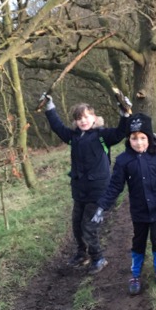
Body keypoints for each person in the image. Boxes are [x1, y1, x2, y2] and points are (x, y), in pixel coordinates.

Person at [40, 91, 134, 272]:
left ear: (94, 118)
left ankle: (98, 258)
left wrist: (125, 113)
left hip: (98, 191)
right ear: (75, 121)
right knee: (77, 225)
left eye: (86, 117)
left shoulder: (103, 135)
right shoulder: (73, 137)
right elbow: (58, 127)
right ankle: (82, 254)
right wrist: (50, 107)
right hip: (80, 191)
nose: (83, 121)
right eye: (79, 118)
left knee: (89, 226)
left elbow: (121, 132)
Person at [99, 112, 156, 294]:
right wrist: (102, 205)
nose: (139, 142)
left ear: (149, 138)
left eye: (143, 137)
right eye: (134, 138)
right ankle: (135, 274)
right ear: (128, 139)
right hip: (139, 210)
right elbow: (115, 186)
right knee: (138, 241)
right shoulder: (123, 160)